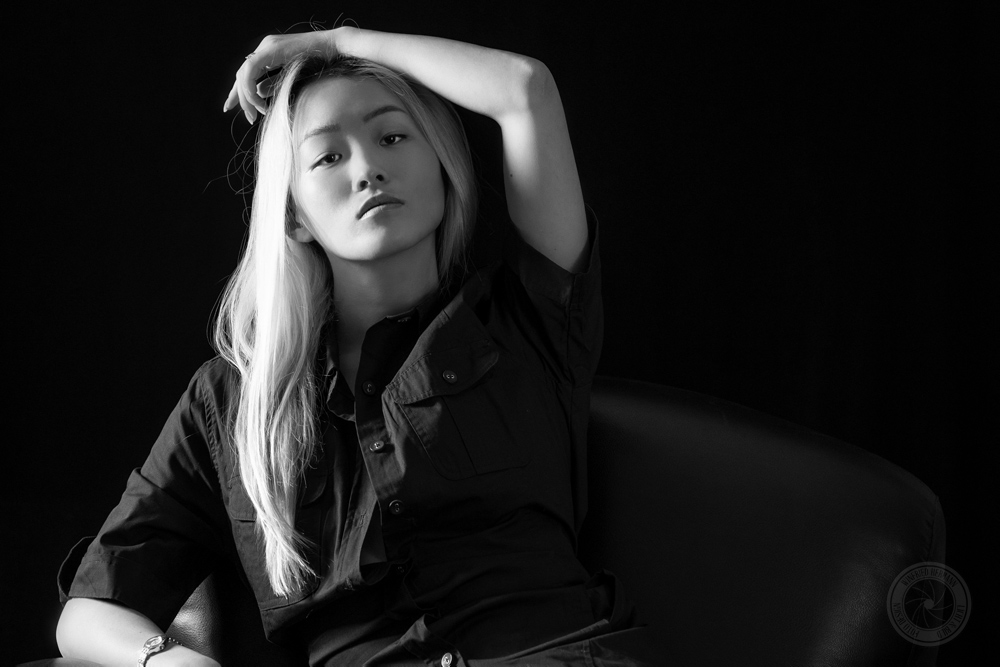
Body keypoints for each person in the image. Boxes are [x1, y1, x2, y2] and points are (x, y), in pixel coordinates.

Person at [56, 26, 652, 666]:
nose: (368, 169)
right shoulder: (230, 404)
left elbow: (524, 88)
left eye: (392, 137)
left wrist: (336, 41)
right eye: (327, 157)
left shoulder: (528, 318)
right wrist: (165, 660)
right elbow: (90, 610)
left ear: (443, 166)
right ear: (294, 216)